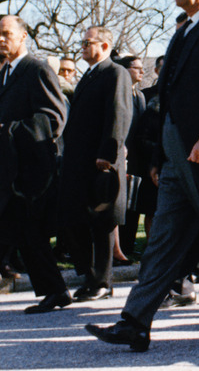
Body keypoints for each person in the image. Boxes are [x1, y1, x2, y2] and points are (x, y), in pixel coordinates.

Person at [85, 0, 199, 352]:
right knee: (161, 238)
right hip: (177, 152)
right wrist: (160, 156)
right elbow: (168, 99)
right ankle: (135, 322)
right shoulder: (180, 33)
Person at [0, 15, 70, 314]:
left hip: (32, 171)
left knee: (30, 234)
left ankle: (56, 291)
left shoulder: (36, 68)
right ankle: (56, 290)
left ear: (23, 36)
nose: (1, 40)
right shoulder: (4, 72)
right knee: (20, 233)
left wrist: (8, 130)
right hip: (8, 168)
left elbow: (53, 118)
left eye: (6, 34)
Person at [59, 25, 133, 303]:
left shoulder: (115, 72)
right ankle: (90, 278)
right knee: (75, 219)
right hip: (79, 161)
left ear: (104, 45)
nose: (82, 47)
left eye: (87, 42)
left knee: (101, 222)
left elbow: (119, 113)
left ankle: (102, 282)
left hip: (101, 161)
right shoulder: (89, 76)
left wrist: (108, 153)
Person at [115, 55, 147, 263]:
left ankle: (128, 246)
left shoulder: (140, 96)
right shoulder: (118, 92)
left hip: (137, 158)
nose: (141, 72)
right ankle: (117, 250)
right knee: (119, 205)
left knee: (134, 204)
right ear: (125, 70)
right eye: (137, 68)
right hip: (121, 153)